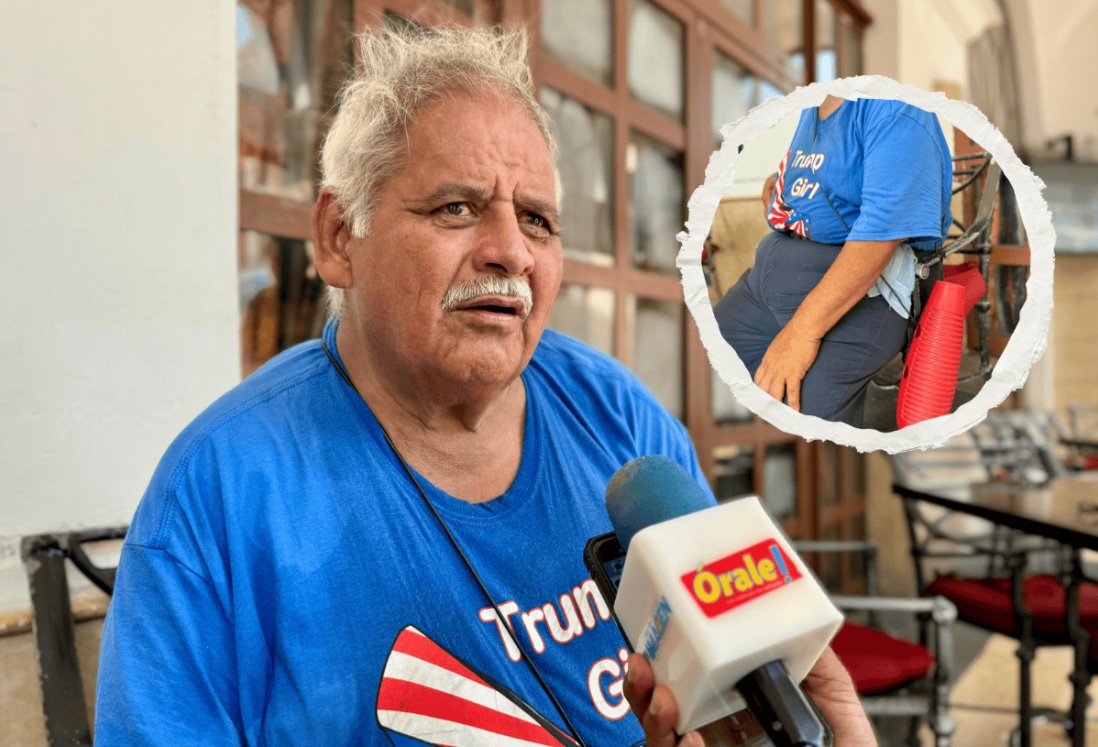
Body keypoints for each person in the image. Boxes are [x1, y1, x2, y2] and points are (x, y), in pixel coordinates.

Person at [95, 26, 874, 746]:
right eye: (456, 207)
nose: (510, 251)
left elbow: (726, 677)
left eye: (537, 220)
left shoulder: (621, 416)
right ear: (339, 240)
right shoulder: (218, 492)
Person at [714, 94, 953, 427]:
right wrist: (788, 188)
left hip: (856, 293)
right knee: (702, 372)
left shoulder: (896, 111)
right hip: (766, 280)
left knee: (800, 423)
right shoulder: (814, 108)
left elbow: (880, 235)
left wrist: (800, 333)